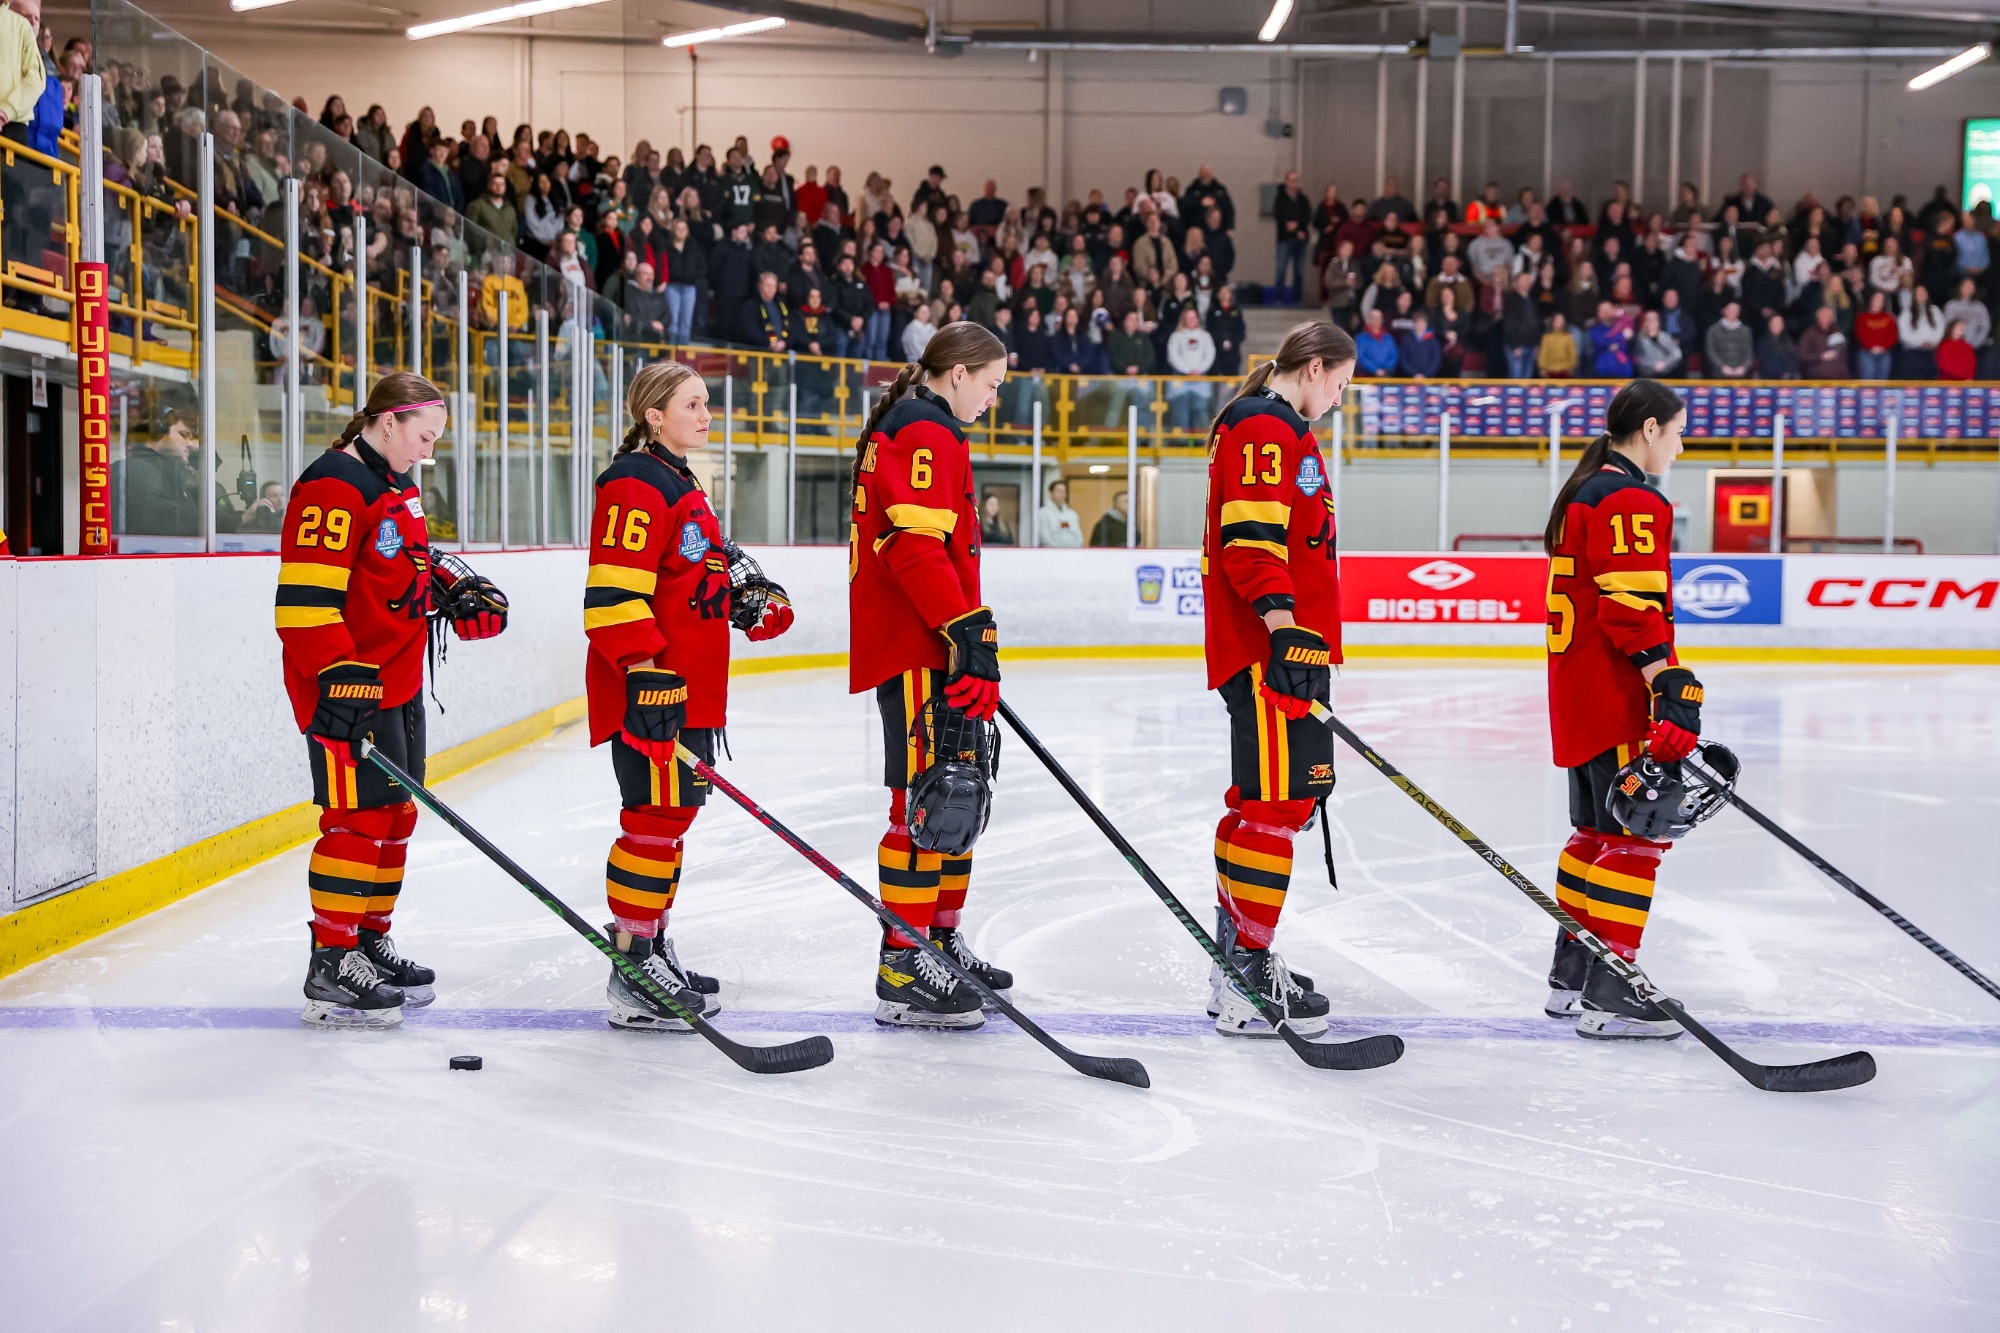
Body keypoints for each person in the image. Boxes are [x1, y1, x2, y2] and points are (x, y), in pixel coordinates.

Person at [279, 373, 507, 1028]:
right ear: (388, 422)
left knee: (395, 815)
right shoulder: (332, 485)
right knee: (357, 820)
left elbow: (401, 559)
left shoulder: (394, 484)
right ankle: (331, 956)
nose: (426, 452)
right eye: (424, 436)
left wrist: (450, 583)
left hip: (398, 681)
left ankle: (368, 939)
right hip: (349, 688)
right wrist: (338, 676)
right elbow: (303, 604)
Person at [581, 362, 792, 1030]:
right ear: (653, 413)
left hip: (686, 692)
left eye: (706, 403)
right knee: (651, 822)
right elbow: (612, 594)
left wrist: (746, 594)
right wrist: (644, 675)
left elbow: (701, 566)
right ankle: (633, 965)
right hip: (655, 692)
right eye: (693, 404)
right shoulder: (636, 483)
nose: (706, 415)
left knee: (670, 822)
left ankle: (651, 946)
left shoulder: (679, 480)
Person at [847, 322, 1010, 1028]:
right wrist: (965, 631)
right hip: (920, 646)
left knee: (954, 801)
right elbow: (914, 546)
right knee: (927, 803)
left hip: (931, 642)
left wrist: (965, 636)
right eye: (992, 384)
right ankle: (904, 961)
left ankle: (937, 942)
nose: (994, 399)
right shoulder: (924, 429)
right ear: (960, 372)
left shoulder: (923, 424)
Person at [1200, 321, 1355, 1038]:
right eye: (1341, 385)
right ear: (1316, 368)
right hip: (1272, 653)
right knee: (1272, 808)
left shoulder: (1277, 425)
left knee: (1265, 806)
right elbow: (1253, 539)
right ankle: (1247, 976)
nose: (1340, 399)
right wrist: (1285, 628)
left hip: (1281, 650)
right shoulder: (1266, 424)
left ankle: (1241, 957)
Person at [1541, 378, 1697, 1041]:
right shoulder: (1630, 496)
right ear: (1651, 429)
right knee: (1635, 834)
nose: (1682, 446)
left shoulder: (1586, 490)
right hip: (1613, 694)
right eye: (1679, 431)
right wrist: (1668, 681)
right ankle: (1612, 985)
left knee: (1593, 832)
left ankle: (1572, 975)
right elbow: (1628, 607)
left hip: (1577, 692)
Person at [124, 407, 203, 536]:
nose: (191, 444)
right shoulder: (143, 472)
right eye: (183, 435)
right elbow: (170, 524)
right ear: (160, 432)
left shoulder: (165, 471)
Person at [1272, 170, 1311, 304]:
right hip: (1284, 239)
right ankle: (1279, 298)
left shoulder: (1303, 199)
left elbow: (1306, 216)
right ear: (1286, 181)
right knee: (1281, 269)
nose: (1294, 182)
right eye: (1291, 179)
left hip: (1300, 239)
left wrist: (1298, 227)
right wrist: (1290, 227)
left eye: (1296, 180)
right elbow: (1279, 216)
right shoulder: (1280, 199)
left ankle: (1297, 300)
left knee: (1299, 271)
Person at [1703, 301, 1755, 379]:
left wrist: (1743, 367)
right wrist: (1722, 366)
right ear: (1724, 311)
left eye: (1736, 310)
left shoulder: (1746, 330)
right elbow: (1711, 350)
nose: (1734, 312)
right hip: (1718, 373)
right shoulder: (1713, 330)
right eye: (1731, 309)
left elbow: (1749, 352)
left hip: (1741, 373)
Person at [1036, 477, 1083, 547]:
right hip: (1051, 555)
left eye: (1064, 491)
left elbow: (1079, 539)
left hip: (1072, 555)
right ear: (1051, 493)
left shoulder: (1072, 514)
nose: (1062, 494)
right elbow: (1045, 538)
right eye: (1059, 491)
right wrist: (1060, 551)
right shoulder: (1042, 513)